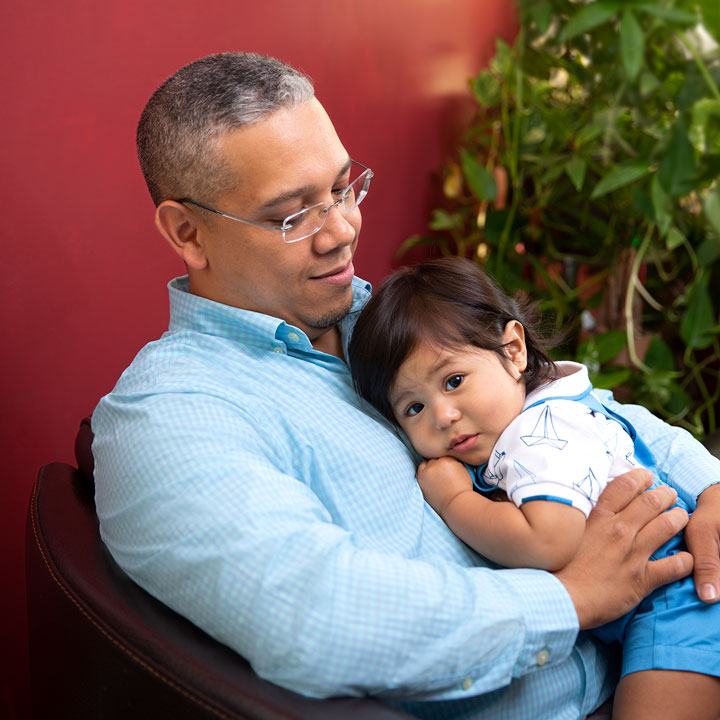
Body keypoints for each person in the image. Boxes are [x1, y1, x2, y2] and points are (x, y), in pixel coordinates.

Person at [91, 52, 720, 720]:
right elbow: (320, 618)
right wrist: (575, 598)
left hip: (666, 623)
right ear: (188, 232)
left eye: (342, 188)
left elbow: (567, 407)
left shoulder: (382, 320)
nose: (342, 231)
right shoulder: (171, 419)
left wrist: (709, 487)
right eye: (291, 216)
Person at [347, 257, 720, 719]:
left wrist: (454, 499)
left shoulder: (539, 432)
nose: (443, 414)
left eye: (454, 380)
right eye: (414, 408)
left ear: (514, 350)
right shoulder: (542, 401)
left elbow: (550, 542)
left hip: (680, 602)